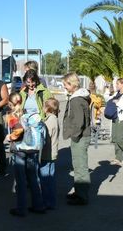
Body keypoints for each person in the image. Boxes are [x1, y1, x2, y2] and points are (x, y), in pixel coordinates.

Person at [5, 92, 45, 217]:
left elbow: (18, 130)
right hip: (32, 149)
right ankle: (38, 205)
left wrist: (9, 137)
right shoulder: (27, 112)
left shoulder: (12, 116)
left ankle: (21, 209)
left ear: (10, 104)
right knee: (33, 178)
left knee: (21, 180)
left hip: (20, 150)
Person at [62, 73, 91, 206]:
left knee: (80, 166)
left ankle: (82, 196)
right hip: (81, 136)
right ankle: (79, 192)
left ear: (72, 84)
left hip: (80, 137)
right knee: (78, 165)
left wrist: (74, 135)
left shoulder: (76, 99)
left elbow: (79, 121)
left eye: (66, 84)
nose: (64, 87)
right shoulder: (79, 97)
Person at [39, 97, 60, 210]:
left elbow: (45, 138)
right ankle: (51, 201)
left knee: (45, 179)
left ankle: (46, 201)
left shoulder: (49, 121)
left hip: (47, 154)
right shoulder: (54, 119)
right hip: (52, 154)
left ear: (47, 108)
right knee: (50, 178)